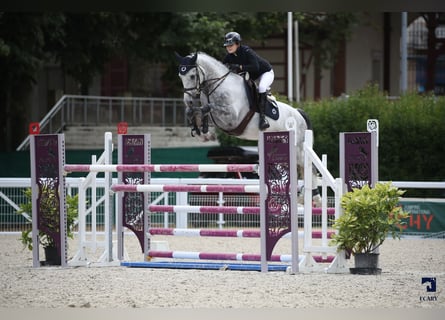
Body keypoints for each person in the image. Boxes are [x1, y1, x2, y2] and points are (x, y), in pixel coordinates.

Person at [222, 31, 273, 130]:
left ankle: (263, 119)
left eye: (231, 45)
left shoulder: (247, 51)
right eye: (227, 45)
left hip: (264, 73)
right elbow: (221, 66)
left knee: (262, 87)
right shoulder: (229, 56)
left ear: (238, 43)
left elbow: (255, 67)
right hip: (251, 76)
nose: (228, 47)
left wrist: (239, 67)